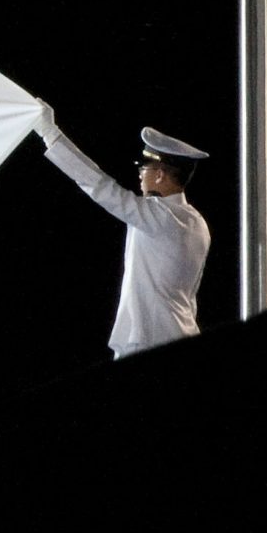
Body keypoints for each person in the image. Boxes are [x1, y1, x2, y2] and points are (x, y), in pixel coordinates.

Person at [35, 111, 211, 358]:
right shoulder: (197, 222)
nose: (140, 175)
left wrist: (51, 135)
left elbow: (100, 187)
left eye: (145, 168)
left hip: (150, 340)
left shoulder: (160, 217)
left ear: (159, 175)